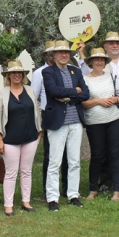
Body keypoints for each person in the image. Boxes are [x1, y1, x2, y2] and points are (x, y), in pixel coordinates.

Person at [77, 31, 119, 191]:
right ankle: (106, 181)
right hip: (108, 111)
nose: (114, 45)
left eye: (117, 43)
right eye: (111, 43)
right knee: (107, 148)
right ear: (105, 46)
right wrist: (81, 52)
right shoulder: (101, 62)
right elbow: (86, 70)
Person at [42, 40, 90, 211]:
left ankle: (73, 195)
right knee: (54, 162)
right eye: (60, 52)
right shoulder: (48, 72)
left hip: (76, 121)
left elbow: (86, 93)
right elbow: (53, 91)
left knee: (74, 161)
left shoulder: (76, 71)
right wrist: (75, 91)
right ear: (54, 55)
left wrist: (69, 97)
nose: (64, 55)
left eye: (66, 52)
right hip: (58, 122)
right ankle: (52, 198)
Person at [0, 61, 42, 216]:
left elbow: (37, 112)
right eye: (13, 73)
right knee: (11, 173)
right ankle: (8, 205)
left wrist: (39, 133)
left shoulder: (30, 91)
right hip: (10, 139)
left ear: (23, 75)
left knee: (26, 171)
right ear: (8, 75)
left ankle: (26, 202)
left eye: (19, 73)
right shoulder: (3, 93)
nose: (17, 75)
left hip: (30, 138)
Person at [80, 48, 119, 201]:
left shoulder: (111, 76)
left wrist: (115, 99)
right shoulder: (84, 79)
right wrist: (99, 101)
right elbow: (83, 103)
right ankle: (93, 189)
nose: (99, 62)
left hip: (114, 119)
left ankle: (117, 190)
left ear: (105, 62)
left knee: (114, 154)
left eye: (102, 60)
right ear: (91, 62)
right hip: (94, 122)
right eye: (96, 59)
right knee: (97, 155)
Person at [31, 41, 69, 198]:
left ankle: (67, 188)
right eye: (51, 53)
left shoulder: (68, 70)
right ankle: (48, 190)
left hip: (68, 115)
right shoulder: (39, 73)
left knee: (67, 155)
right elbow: (34, 97)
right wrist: (39, 120)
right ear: (47, 55)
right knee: (50, 155)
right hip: (50, 116)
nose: (54, 55)